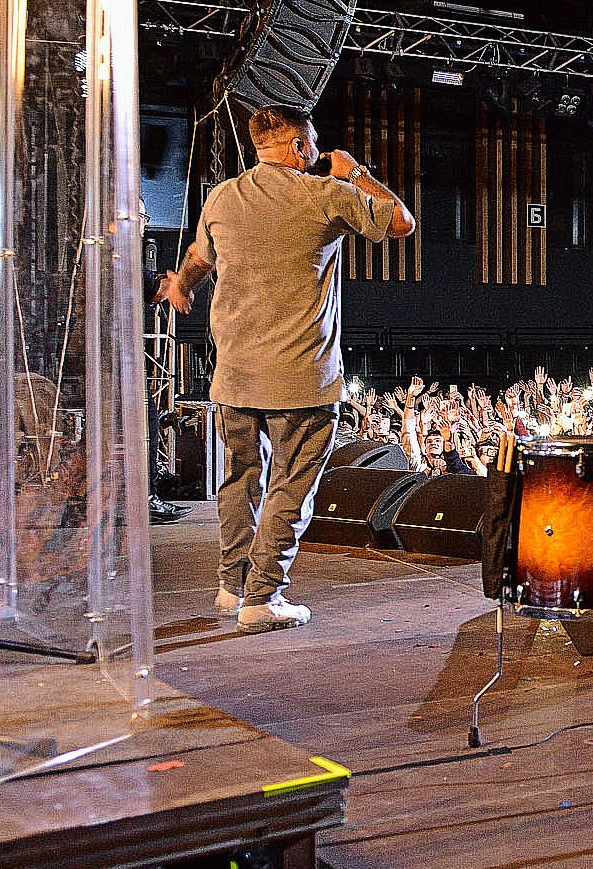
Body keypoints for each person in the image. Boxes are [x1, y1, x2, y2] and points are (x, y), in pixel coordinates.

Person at [156, 103, 414, 634]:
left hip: (234, 375)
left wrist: (181, 285)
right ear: (299, 147)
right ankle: (262, 597)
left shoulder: (222, 198)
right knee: (290, 488)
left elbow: (199, 261)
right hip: (302, 377)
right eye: (313, 146)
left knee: (237, 481)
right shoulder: (326, 195)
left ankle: (232, 586)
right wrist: (356, 173)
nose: (317, 155)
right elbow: (401, 222)